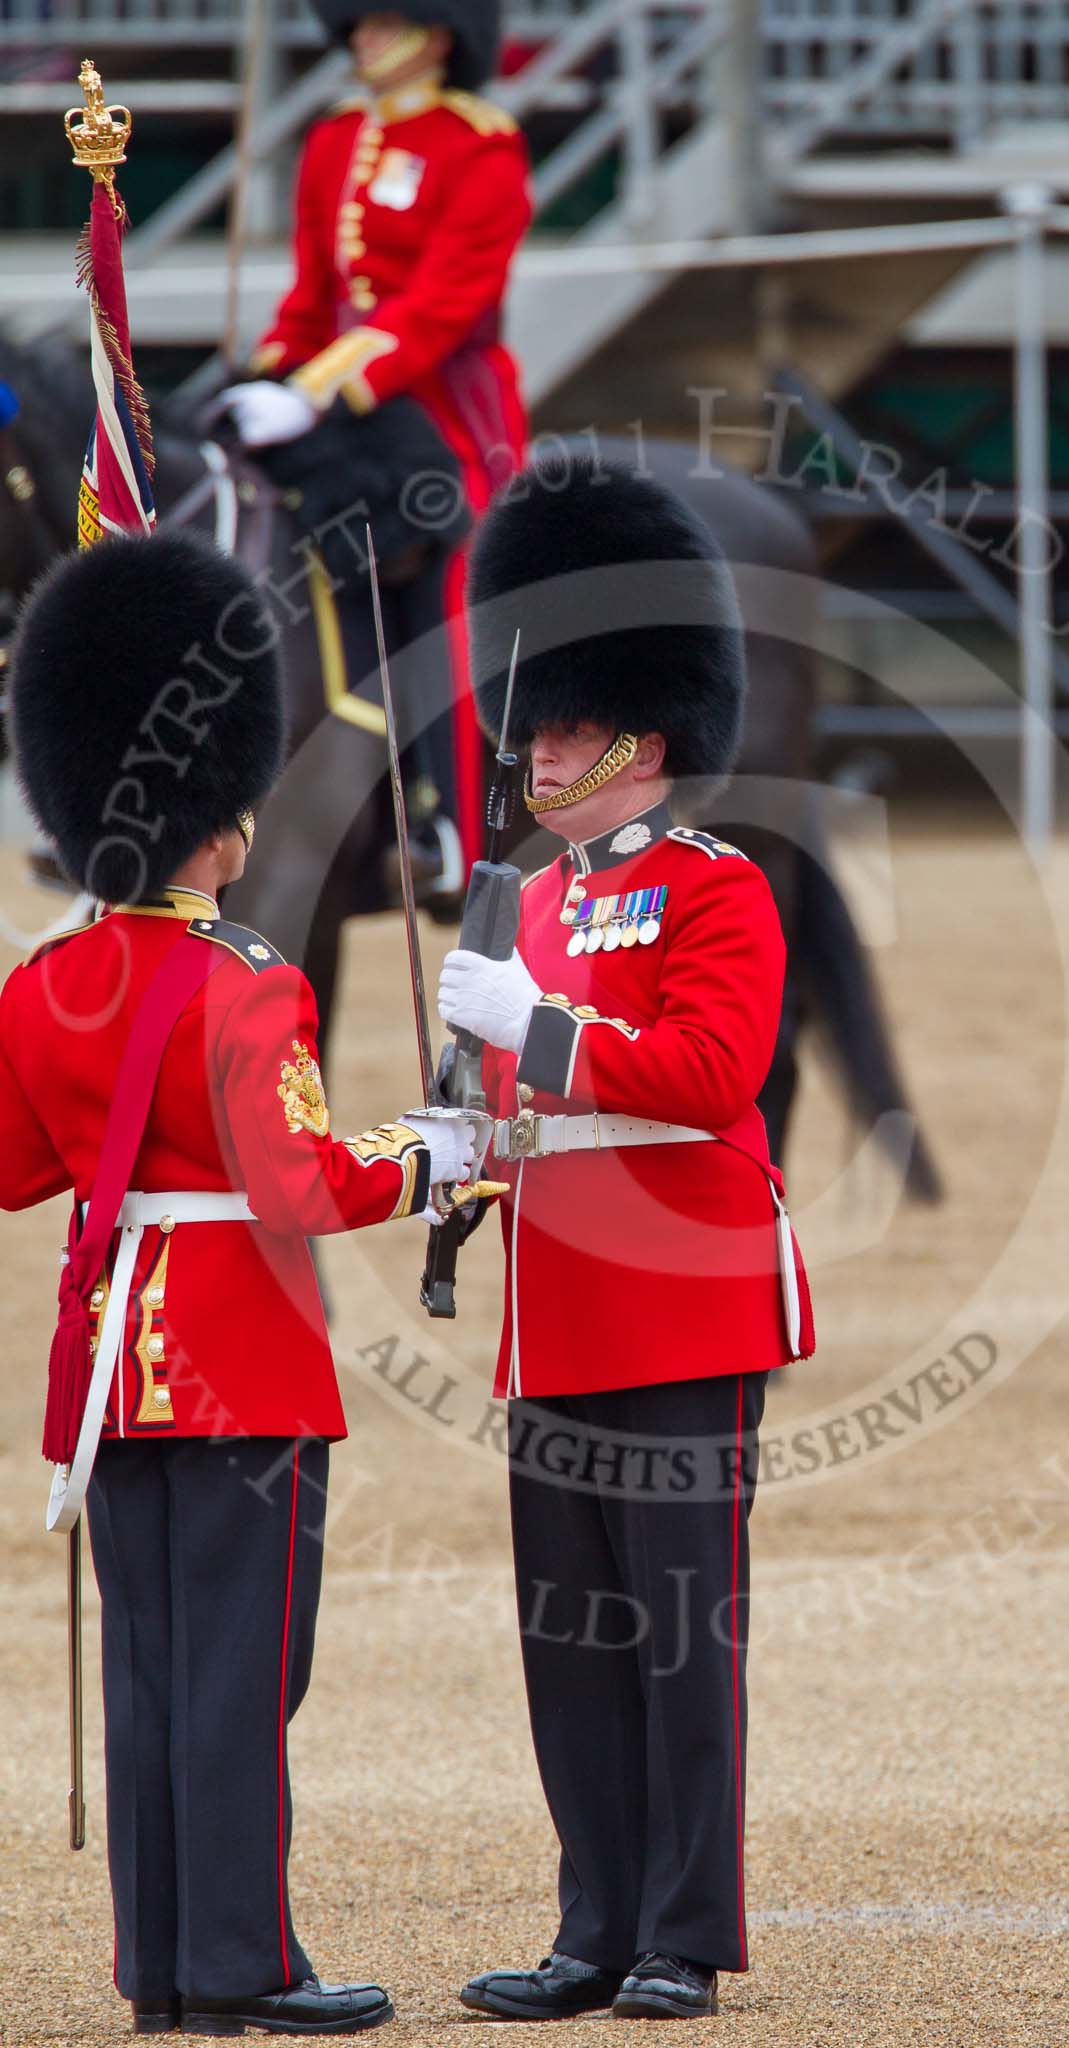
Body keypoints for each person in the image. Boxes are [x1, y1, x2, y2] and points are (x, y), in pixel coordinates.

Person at [0, 527, 474, 2036]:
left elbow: (17, 1171)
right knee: (245, 1680)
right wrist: (434, 1149)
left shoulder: (45, 980)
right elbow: (306, 1184)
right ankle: (246, 1965)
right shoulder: (247, 977)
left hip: (108, 1374)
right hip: (238, 1358)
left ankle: (161, 1972)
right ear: (221, 817)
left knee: (152, 1673)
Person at [435, 456, 816, 2021]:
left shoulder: (717, 891)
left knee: (678, 1643)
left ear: (644, 741)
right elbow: (515, 1107)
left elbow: (711, 1079)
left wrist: (541, 1031)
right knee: (572, 1643)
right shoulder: (517, 903)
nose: (536, 748)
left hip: (685, 1301)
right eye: (534, 725)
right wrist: (458, 1138)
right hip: (562, 1304)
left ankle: (681, 1932)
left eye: (568, 726)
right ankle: (592, 1923)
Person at [220, 0, 532, 889]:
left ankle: (457, 831)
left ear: (436, 34)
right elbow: (313, 293)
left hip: (442, 411)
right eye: (355, 20)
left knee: (449, 582)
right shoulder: (335, 138)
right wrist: (270, 374)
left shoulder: (481, 145)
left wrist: (316, 390)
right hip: (337, 404)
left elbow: (439, 308)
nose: (358, 35)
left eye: (380, 20)